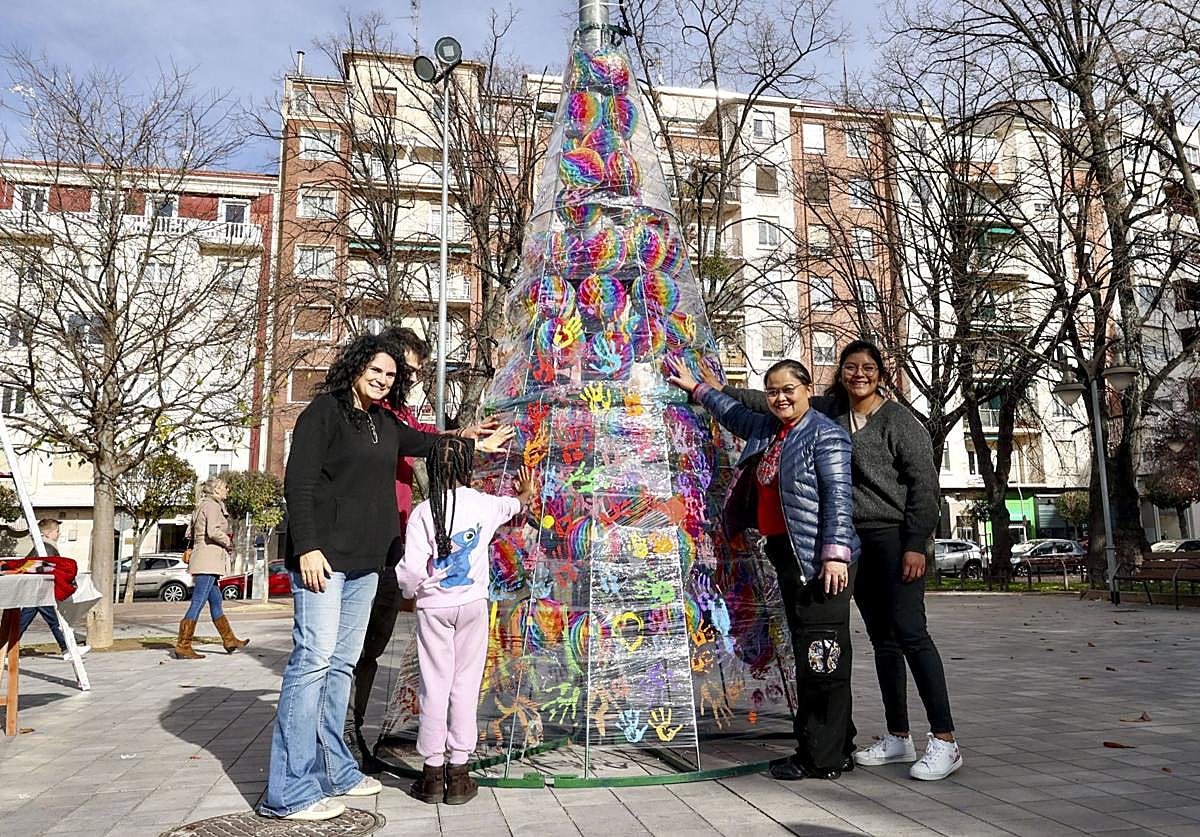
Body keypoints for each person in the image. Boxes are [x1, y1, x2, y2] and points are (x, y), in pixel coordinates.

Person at [259, 334, 511, 822]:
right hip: (324, 562)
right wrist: (306, 546)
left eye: (391, 375)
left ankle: (336, 770)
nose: (382, 379)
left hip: (367, 564)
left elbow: (429, 442)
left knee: (341, 666)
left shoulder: (383, 422)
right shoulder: (323, 413)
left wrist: (471, 438)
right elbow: (299, 483)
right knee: (312, 662)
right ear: (356, 366)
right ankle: (288, 791)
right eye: (375, 369)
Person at [707, 340, 961, 780]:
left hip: (892, 538)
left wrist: (916, 544)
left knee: (910, 633)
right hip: (848, 540)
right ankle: (898, 735)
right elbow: (768, 402)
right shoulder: (830, 411)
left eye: (868, 367)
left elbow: (925, 488)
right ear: (838, 374)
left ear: (881, 373)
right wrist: (715, 387)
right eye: (850, 367)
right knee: (882, 641)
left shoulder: (900, 422)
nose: (859, 374)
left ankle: (944, 739)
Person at [667, 356, 860, 780]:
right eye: (772, 391)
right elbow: (733, 413)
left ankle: (820, 757)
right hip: (788, 556)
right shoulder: (771, 430)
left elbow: (839, 499)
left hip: (818, 562)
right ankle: (836, 744)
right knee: (813, 653)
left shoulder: (825, 435)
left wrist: (834, 554)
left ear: (807, 390)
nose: (780, 398)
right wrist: (697, 388)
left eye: (788, 389)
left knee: (821, 657)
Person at [398, 439, 534, 805]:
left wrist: (411, 592)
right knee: (465, 685)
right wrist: (525, 493)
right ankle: (458, 773)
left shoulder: (424, 512)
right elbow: (514, 505)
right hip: (472, 605)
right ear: (466, 468)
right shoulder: (484, 504)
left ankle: (431, 774)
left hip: (434, 608)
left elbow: (411, 569)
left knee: (434, 685)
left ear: (433, 469)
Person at [342, 326, 437, 770]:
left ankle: (353, 733)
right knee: (350, 647)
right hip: (362, 545)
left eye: (413, 373)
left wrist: (469, 435)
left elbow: (429, 439)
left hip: (392, 546)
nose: (408, 379)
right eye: (406, 370)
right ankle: (342, 735)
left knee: (373, 646)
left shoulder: (401, 417)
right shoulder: (367, 414)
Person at [174, 477, 248, 659]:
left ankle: (229, 640)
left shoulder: (201, 505)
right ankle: (183, 645)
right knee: (198, 601)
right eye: (224, 487)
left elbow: (190, 532)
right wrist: (228, 541)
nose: (227, 490)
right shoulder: (213, 506)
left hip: (203, 557)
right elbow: (213, 532)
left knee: (216, 600)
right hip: (209, 559)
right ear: (216, 490)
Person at [7, 518, 88, 660]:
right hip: (40, 590)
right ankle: (66, 649)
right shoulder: (46, 548)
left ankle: (6, 650)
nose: (59, 534)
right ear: (48, 533)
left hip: (36, 591)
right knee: (54, 621)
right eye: (57, 531)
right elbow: (48, 569)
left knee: (24, 622)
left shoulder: (44, 547)